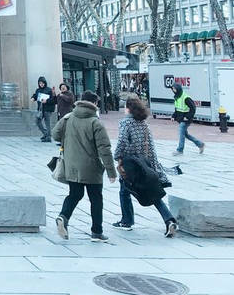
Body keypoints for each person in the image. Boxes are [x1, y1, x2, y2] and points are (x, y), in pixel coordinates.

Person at [52, 90, 117, 243]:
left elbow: (55, 134)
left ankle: (63, 216)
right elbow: (104, 149)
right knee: (96, 198)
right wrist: (111, 171)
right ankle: (97, 232)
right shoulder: (95, 122)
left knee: (74, 194)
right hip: (91, 167)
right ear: (94, 104)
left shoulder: (68, 118)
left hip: (72, 165)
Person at [112, 96, 178, 237]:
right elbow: (151, 147)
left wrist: (116, 155)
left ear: (128, 108)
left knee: (124, 191)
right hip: (144, 164)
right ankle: (169, 220)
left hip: (130, 164)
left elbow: (122, 141)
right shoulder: (144, 124)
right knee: (153, 194)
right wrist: (154, 167)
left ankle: (127, 221)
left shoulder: (126, 123)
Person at [170, 83, 205, 156]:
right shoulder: (177, 97)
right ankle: (200, 144)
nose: (173, 90)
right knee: (185, 134)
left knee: (181, 134)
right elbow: (177, 109)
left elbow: (193, 108)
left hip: (185, 120)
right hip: (180, 118)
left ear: (178, 89)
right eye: (173, 89)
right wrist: (174, 116)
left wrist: (188, 117)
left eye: (174, 89)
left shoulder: (186, 98)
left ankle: (180, 150)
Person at [31, 76, 56, 142]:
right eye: (40, 83)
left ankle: (48, 137)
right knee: (37, 121)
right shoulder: (38, 90)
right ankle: (46, 133)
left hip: (47, 108)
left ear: (45, 83)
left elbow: (53, 100)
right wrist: (33, 98)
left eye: (42, 83)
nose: (41, 84)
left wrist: (46, 101)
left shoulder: (49, 90)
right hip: (41, 109)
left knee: (47, 122)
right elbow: (36, 95)